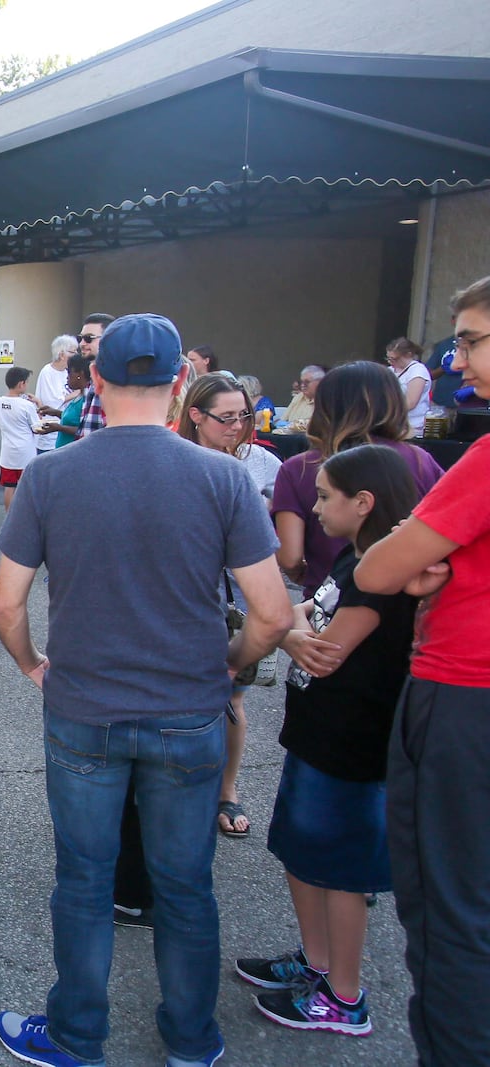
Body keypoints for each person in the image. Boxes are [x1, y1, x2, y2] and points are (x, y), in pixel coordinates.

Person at [0, 313, 291, 1067]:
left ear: (94, 379)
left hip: (84, 709)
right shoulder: (224, 477)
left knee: (84, 879)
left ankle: (77, 1035)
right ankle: (192, 1038)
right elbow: (274, 613)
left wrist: (33, 664)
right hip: (190, 713)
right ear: (180, 383)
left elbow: (5, 600)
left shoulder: (53, 473)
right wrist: (229, 660)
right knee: (184, 884)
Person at [354, 274, 490, 1066]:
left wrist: (410, 553)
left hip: (462, 695)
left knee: (450, 911)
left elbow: (377, 567)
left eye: (470, 338)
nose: (455, 357)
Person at [236, 444, 417, 1037]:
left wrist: (287, 629)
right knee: (301, 850)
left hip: (352, 749)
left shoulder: (378, 576)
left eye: (323, 497)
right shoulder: (352, 560)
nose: (313, 509)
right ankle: (315, 964)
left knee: (341, 869)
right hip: (316, 737)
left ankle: (344, 995)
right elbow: (299, 615)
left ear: (363, 503)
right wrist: (291, 625)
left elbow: (325, 650)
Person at [177, 371, 282, 839]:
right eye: (226, 418)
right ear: (196, 416)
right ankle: (177, 793)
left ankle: (227, 789)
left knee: (233, 697)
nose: (237, 426)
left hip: (241, 593)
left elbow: (271, 539)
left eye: (244, 415)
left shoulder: (259, 462)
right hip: (190, 595)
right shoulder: (178, 460)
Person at [271, 360, 442, 600]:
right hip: (405, 600)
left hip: (329, 603)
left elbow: (290, 557)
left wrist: (308, 576)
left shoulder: (298, 468)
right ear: (392, 402)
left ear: (325, 406)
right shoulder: (420, 460)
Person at [0, 366, 43, 512]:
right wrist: (39, 404)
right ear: (21, 384)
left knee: (9, 487)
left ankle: (9, 517)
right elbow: (37, 427)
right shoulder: (27, 405)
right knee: (25, 488)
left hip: (8, 452)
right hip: (25, 452)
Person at [32, 335, 77, 454]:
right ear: (62, 355)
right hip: (50, 434)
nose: (76, 355)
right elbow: (52, 403)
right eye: (73, 352)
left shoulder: (68, 372)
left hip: (67, 429)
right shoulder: (47, 372)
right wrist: (76, 393)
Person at [73, 313, 115, 437]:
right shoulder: (94, 376)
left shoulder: (114, 380)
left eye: (89, 338)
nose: (82, 344)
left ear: (109, 339)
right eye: (80, 338)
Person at [385, 336, 431, 437]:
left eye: (394, 359)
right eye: (388, 359)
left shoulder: (417, 370)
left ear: (408, 355)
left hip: (412, 425)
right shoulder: (389, 370)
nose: (391, 362)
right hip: (392, 424)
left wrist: (385, 410)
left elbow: (411, 402)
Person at [285, 365, 324, 431]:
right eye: (301, 382)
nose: (302, 385)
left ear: (320, 382)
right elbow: (283, 420)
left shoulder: (327, 400)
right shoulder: (298, 397)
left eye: (307, 382)